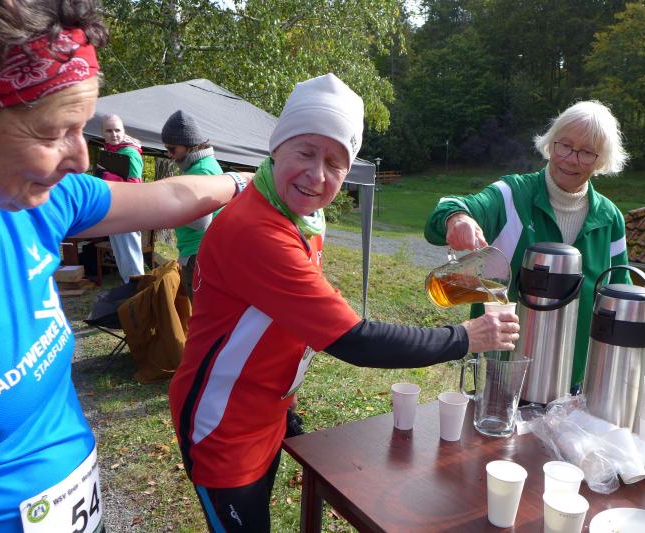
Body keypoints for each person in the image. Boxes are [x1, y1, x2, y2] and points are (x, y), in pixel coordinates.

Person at [168, 73, 521, 532]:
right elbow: (355, 340)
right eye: (306, 152)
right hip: (222, 427)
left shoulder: (301, 217)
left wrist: (285, 403)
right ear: (277, 148)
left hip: (268, 408)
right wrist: (467, 336)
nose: (317, 175)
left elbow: (281, 320)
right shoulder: (257, 230)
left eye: (335, 162)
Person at [0, 3, 250, 531]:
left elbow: (171, 196)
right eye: (53, 133)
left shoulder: (37, 203)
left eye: (83, 129)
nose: (82, 159)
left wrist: (247, 182)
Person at [425, 100, 631, 392]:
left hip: (573, 383)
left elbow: (620, 300)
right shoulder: (511, 195)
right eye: (565, 145)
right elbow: (449, 209)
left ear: (601, 161)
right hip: (499, 377)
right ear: (551, 144)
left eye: (586, 152)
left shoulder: (610, 220)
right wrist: (457, 219)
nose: (571, 159)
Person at [160, 110, 224, 300]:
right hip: (201, 253)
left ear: (189, 145)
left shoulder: (201, 171)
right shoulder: (204, 165)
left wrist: (166, 207)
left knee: (201, 311)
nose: (170, 155)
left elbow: (201, 222)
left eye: (173, 149)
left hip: (198, 255)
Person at [100, 113, 145, 283]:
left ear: (123, 131)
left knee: (132, 260)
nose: (114, 134)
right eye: (109, 131)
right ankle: (130, 291)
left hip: (127, 211)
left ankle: (140, 293)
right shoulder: (111, 152)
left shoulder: (130, 153)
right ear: (103, 133)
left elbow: (135, 186)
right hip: (113, 209)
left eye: (117, 130)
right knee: (122, 258)